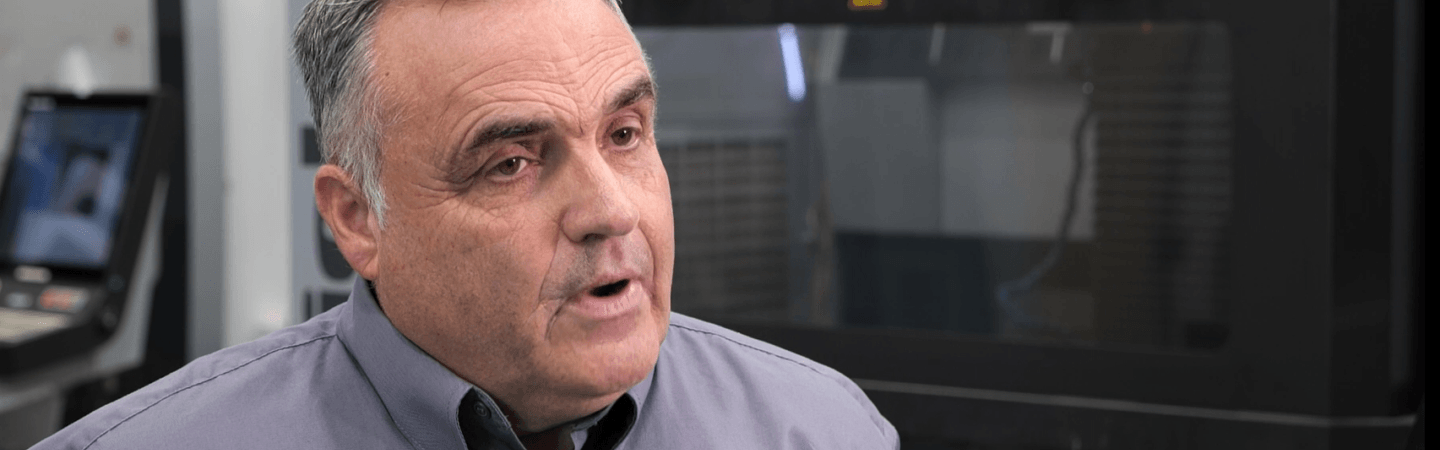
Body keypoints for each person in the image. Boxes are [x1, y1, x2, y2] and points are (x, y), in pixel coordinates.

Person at [33, 0, 898, 448]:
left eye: (625, 135)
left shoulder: (819, 430)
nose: (612, 211)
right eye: (511, 163)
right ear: (357, 219)